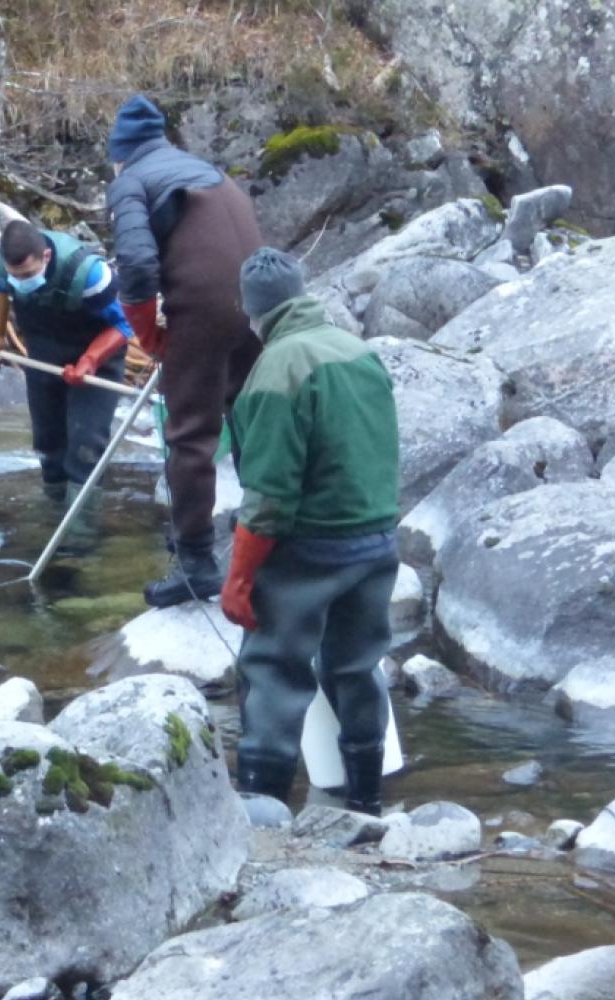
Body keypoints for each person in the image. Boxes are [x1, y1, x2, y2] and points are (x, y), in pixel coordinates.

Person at [219, 248, 401, 816]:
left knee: (272, 668)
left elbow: (269, 501)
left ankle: (264, 813)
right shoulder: (359, 352)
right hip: (376, 543)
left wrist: (239, 581)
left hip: (310, 551)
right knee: (355, 667)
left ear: (253, 312)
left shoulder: (277, 370)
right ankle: (367, 805)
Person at [106, 93, 263, 607]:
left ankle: (196, 563)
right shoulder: (207, 171)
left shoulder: (131, 180)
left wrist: (149, 336)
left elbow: (135, 267)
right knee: (249, 419)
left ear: (119, 152)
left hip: (204, 309)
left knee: (190, 435)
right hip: (261, 305)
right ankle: (264, 535)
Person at [0, 219, 132, 522]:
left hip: (94, 362)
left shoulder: (91, 274)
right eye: (15, 276)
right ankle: (52, 519)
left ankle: (81, 536)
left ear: (45, 257)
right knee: (48, 444)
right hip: (43, 355)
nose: (21, 281)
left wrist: (90, 360)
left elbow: (124, 325)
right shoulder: (0, 260)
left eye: (28, 274)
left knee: (85, 448)